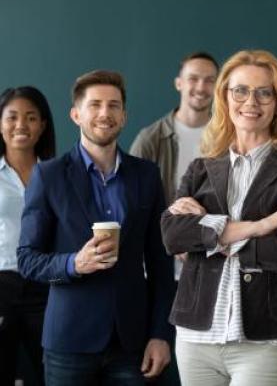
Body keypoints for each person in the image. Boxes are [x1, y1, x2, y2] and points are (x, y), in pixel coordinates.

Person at [161, 49, 277, 386]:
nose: (251, 101)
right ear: (225, 97)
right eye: (241, 91)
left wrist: (208, 233)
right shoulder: (202, 167)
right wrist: (264, 225)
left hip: (265, 337)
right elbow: (173, 236)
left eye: (264, 92)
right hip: (196, 334)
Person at [17, 70, 175, 385]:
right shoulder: (49, 176)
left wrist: (161, 334)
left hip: (132, 342)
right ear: (76, 114)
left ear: (124, 115)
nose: (105, 113)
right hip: (68, 341)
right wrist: (74, 263)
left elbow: (161, 263)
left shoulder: (146, 175)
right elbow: (27, 258)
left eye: (114, 105)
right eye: (95, 105)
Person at [130, 51, 218, 281]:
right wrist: (177, 238)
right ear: (179, 83)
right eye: (193, 78)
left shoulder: (228, 139)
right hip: (159, 270)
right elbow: (132, 203)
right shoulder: (150, 139)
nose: (201, 87)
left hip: (213, 267)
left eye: (210, 80)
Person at [0, 86, 56, 385]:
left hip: (45, 287)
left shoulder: (57, 174)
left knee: (52, 372)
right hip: (1, 283)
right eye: (12, 117)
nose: (21, 125)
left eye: (31, 117)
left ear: (42, 125)